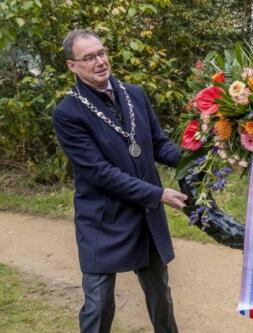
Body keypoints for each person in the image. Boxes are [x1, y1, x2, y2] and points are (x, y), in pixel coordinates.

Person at [53, 29, 187, 333]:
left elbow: (159, 144)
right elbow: (100, 172)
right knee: (99, 304)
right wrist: (158, 194)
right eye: (89, 58)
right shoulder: (67, 113)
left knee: (160, 295)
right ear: (72, 66)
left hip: (144, 216)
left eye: (101, 53)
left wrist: (200, 155)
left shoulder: (134, 93)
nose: (100, 61)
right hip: (103, 219)